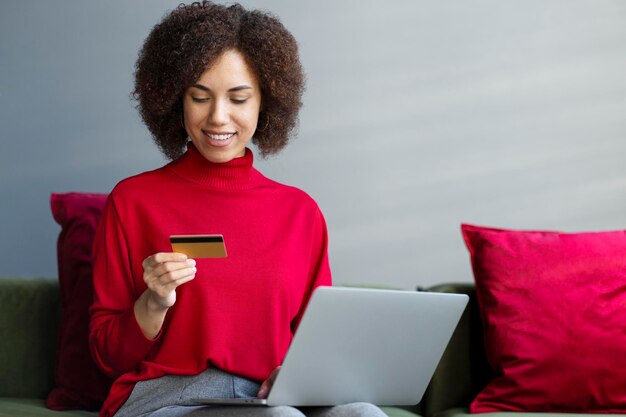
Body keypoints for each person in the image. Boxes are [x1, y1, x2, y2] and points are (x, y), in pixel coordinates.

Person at [89, 2, 387, 417]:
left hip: (271, 395)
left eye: (238, 98)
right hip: (170, 397)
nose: (218, 117)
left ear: (266, 102)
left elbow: (316, 343)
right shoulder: (133, 201)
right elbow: (107, 356)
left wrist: (292, 375)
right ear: (176, 99)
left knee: (362, 414)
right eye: (200, 97)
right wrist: (153, 302)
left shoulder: (300, 213)